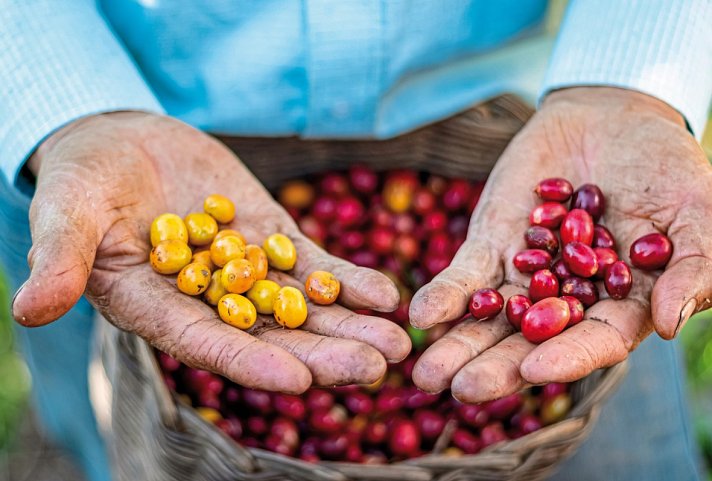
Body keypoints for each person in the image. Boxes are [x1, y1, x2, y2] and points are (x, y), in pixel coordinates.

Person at [1, 1, 710, 480]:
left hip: (520, 118)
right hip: (116, 135)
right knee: (106, 418)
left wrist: (629, 79)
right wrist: (67, 107)